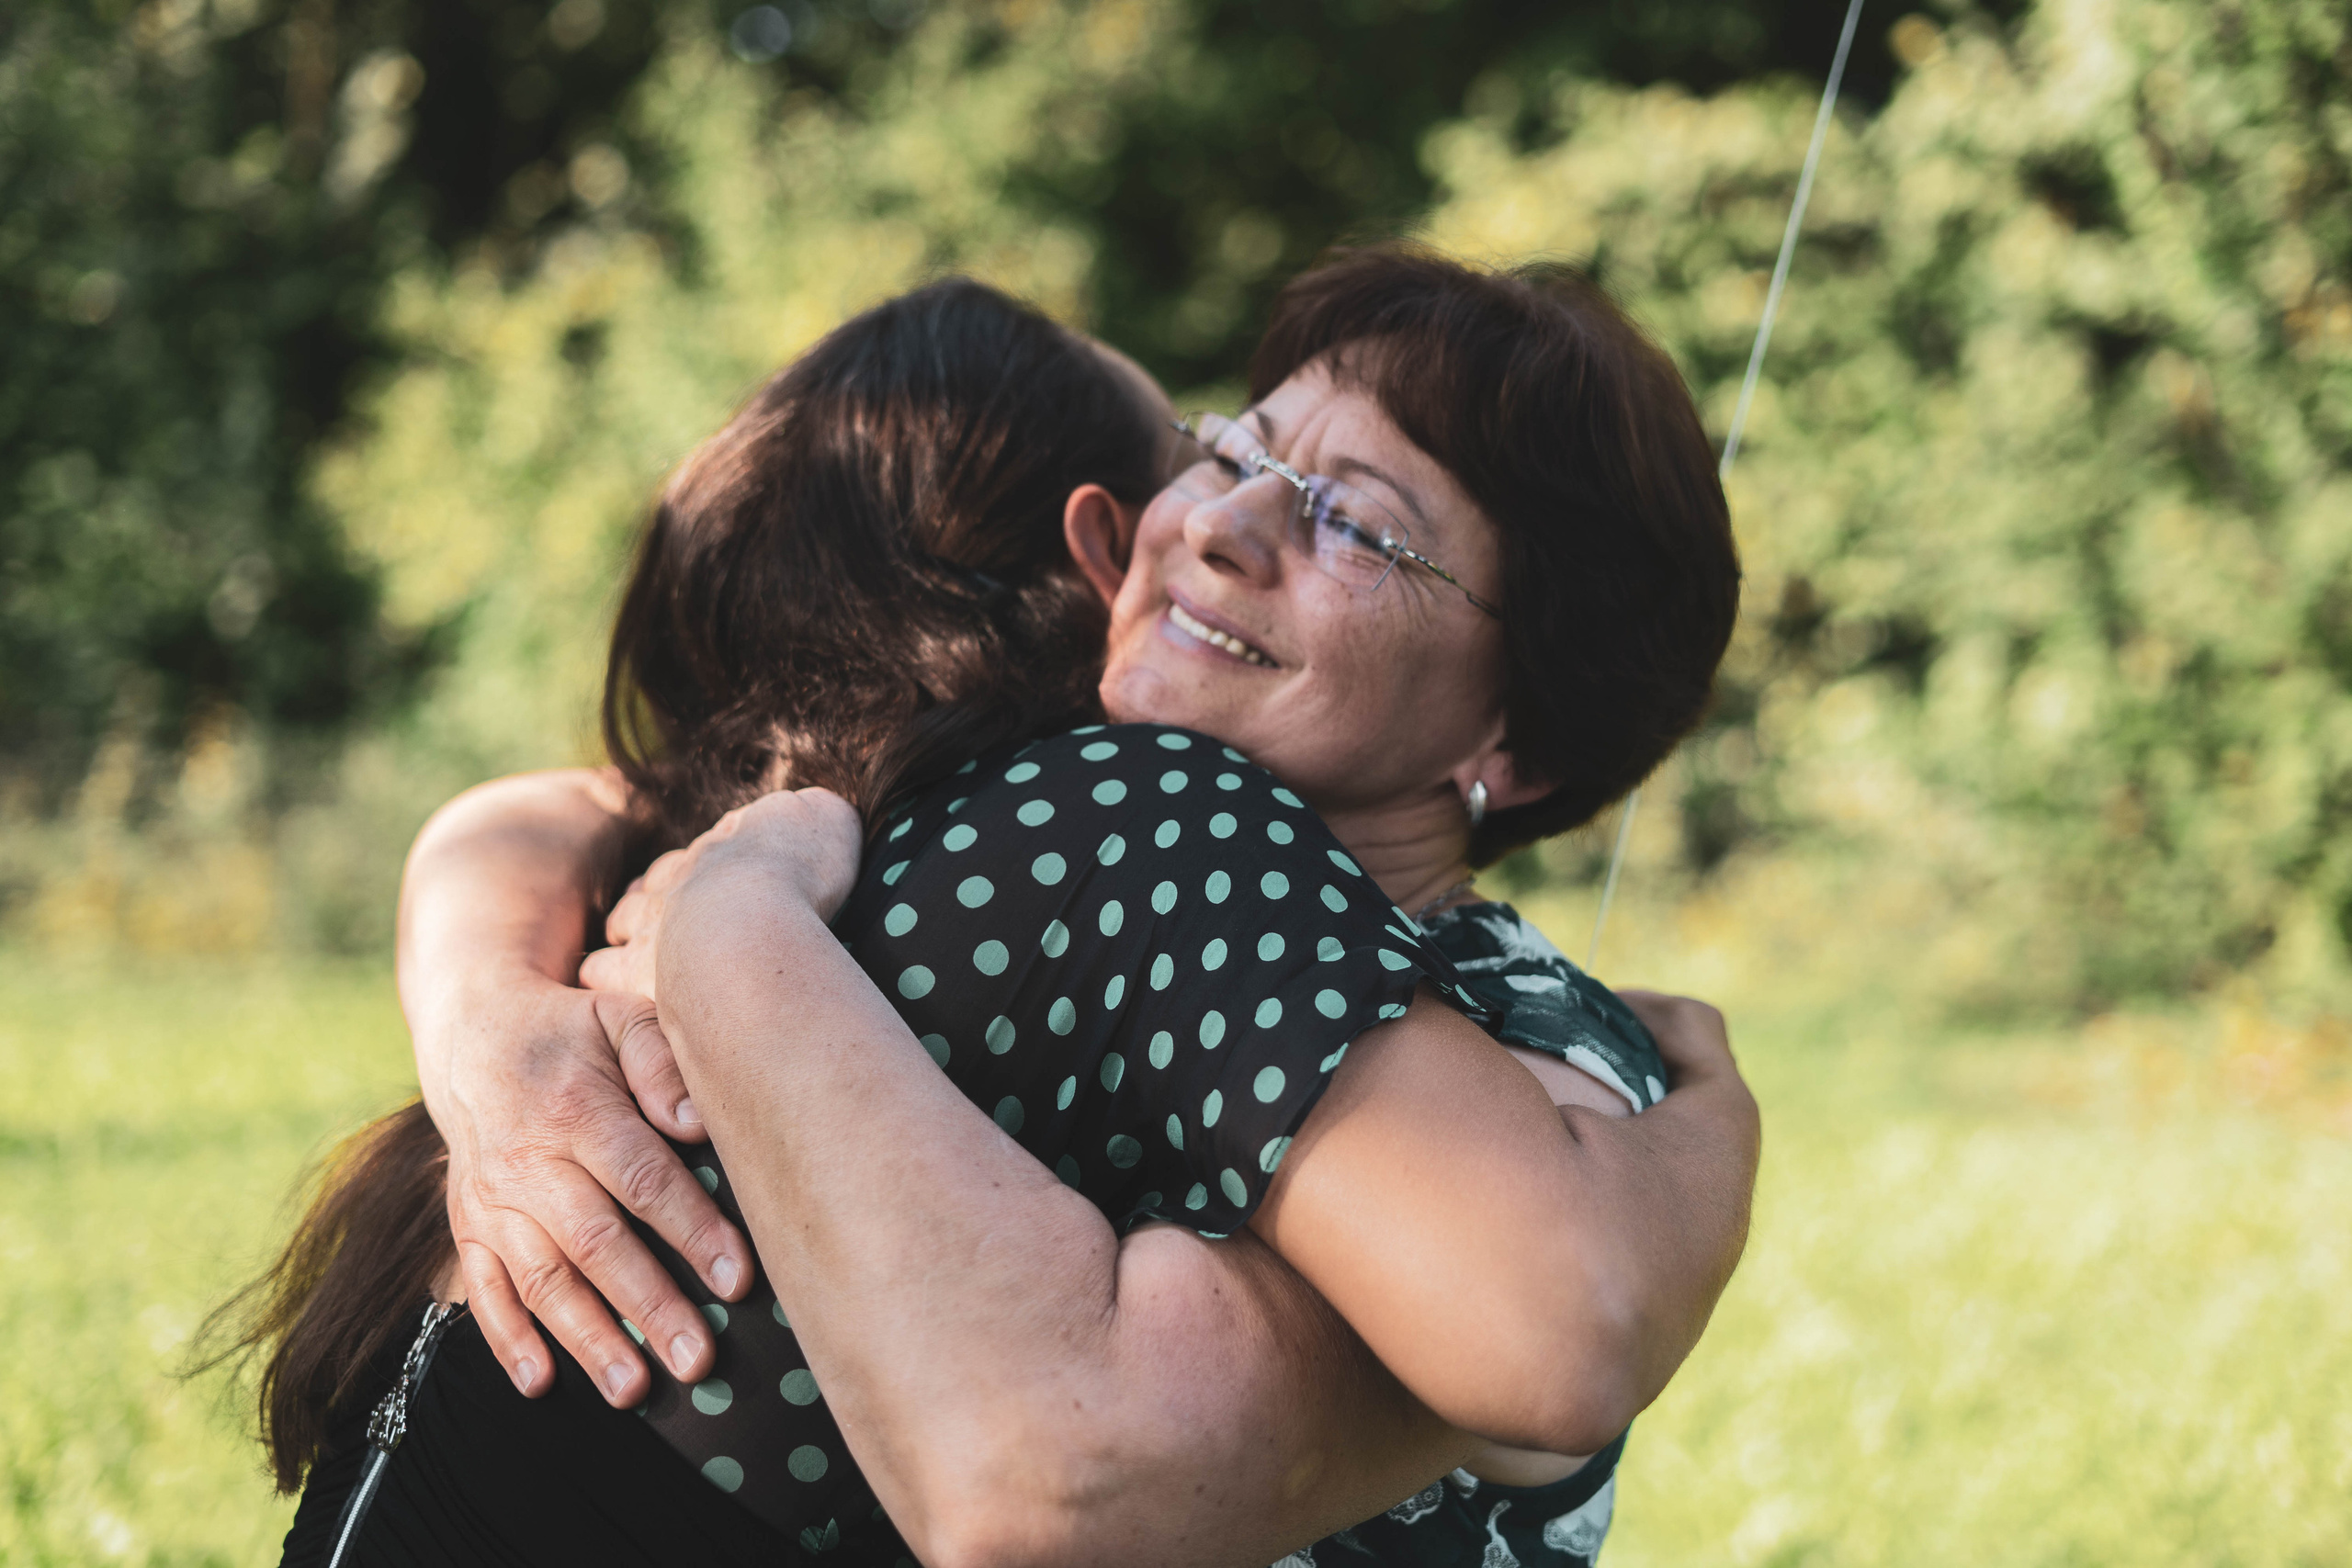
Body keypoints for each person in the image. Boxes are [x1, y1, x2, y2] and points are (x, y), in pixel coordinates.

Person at [245, 253, 1753, 1567]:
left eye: (1357, 523)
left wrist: (1705, 1130)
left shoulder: (1430, 988)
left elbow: (1556, 1323)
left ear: (1517, 742)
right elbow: (561, 807)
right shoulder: (1095, 832)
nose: (1224, 525)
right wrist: (495, 1018)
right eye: (1234, 453)